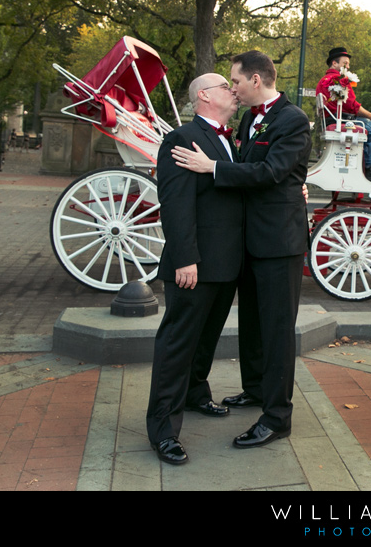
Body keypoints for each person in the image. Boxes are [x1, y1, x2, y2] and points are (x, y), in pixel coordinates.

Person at [171, 50, 311, 449]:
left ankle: (277, 417)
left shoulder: (293, 119)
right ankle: (255, 389)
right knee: (252, 322)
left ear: (255, 80)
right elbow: (251, 165)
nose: (231, 88)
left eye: (235, 81)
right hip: (248, 242)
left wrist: (211, 169)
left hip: (278, 243)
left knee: (278, 329)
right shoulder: (250, 118)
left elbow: (270, 172)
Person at [145, 73, 243, 466]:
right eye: (225, 86)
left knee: (206, 338)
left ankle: (196, 394)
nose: (233, 91)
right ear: (204, 96)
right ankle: (163, 431)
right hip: (195, 264)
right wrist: (185, 257)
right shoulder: (181, 139)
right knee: (177, 345)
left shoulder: (229, 139)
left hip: (225, 263)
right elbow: (175, 203)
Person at [315, 46, 371, 183]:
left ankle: (366, 167)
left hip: (330, 119)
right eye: (345, 63)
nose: (348, 67)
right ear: (334, 63)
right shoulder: (338, 79)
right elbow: (352, 106)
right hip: (344, 120)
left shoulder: (323, 81)